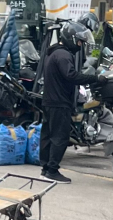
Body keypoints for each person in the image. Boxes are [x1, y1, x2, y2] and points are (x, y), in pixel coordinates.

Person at [39, 22, 92, 183]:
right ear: (71, 39)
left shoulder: (53, 52)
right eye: (80, 42)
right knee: (60, 137)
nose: (80, 45)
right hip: (59, 102)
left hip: (49, 101)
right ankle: (52, 170)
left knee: (48, 135)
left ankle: (45, 169)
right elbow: (71, 75)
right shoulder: (63, 55)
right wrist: (95, 79)